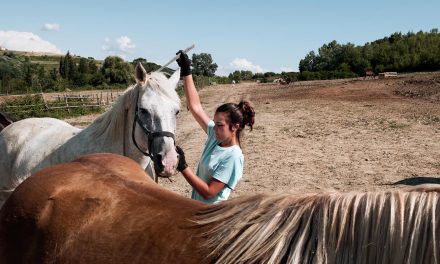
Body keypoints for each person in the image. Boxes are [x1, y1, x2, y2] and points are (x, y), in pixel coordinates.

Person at [175, 51, 255, 204]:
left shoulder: (233, 156)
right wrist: (186, 70)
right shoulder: (216, 137)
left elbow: (208, 192)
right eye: (215, 123)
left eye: (220, 125)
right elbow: (195, 107)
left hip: (210, 217)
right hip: (197, 210)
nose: (214, 128)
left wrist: (183, 166)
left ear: (235, 127)